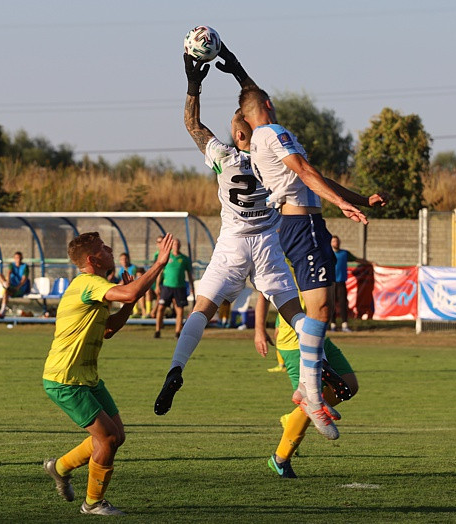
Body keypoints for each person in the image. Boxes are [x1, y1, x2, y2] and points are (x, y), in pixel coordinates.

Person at [153, 48, 346, 440]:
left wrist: (194, 83)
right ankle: (316, 373)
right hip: (269, 244)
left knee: (202, 310)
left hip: (231, 246)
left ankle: (176, 367)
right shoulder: (265, 153)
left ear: (236, 135)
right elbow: (260, 108)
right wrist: (239, 71)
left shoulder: (224, 156)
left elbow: (192, 125)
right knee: (297, 315)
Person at [237, 51, 385, 434]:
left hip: (300, 224)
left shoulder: (258, 141)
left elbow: (309, 178)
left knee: (323, 308)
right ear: (268, 105)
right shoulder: (273, 133)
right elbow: (305, 171)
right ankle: (310, 391)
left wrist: (357, 199)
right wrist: (342, 206)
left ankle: (309, 389)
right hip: (302, 227)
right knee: (319, 311)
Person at [42, 231, 174, 516]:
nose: (110, 249)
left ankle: (60, 467)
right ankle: (92, 504)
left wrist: (128, 305)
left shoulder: (95, 287)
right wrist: (159, 263)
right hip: (66, 379)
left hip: (86, 378)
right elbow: (131, 291)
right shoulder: (88, 283)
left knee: (116, 436)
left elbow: (108, 329)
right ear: (92, 259)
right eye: (103, 247)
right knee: (109, 439)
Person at [256, 292, 358, 478]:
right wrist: (259, 329)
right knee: (310, 398)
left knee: (349, 385)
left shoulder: (326, 263)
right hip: (295, 343)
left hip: (319, 337)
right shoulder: (286, 262)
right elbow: (264, 293)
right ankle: (280, 459)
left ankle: (294, 418)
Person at [154, 238, 194, 339]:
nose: (176, 246)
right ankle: (157, 330)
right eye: (175, 244)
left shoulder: (184, 259)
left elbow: (189, 274)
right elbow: (160, 272)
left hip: (179, 287)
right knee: (160, 308)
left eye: (178, 244)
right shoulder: (167, 256)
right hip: (167, 287)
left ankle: (177, 332)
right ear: (171, 245)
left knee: (179, 310)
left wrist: (192, 287)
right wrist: (157, 285)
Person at [330, 235, 371, 332]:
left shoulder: (344, 253)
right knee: (331, 305)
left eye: (337, 241)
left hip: (341, 282)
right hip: (331, 283)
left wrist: (370, 263)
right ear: (331, 243)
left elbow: (357, 259)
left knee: (343, 304)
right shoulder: (328, 253)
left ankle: (345, 325)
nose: (336, 243)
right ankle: (333, 325)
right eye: (334, 241)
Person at [0, 251, 30, 319]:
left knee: (6, 292)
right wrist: (8, 281)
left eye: (18, 258)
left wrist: (18, 287)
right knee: (0, 276)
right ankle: (2, 312)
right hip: (11, 286)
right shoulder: (12, 265)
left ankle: (2, 311)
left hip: (20, 288)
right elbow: (9, 273)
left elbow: (24, 279)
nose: (17, 259)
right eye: (16, 258)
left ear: (21, 258)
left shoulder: (25, 267)